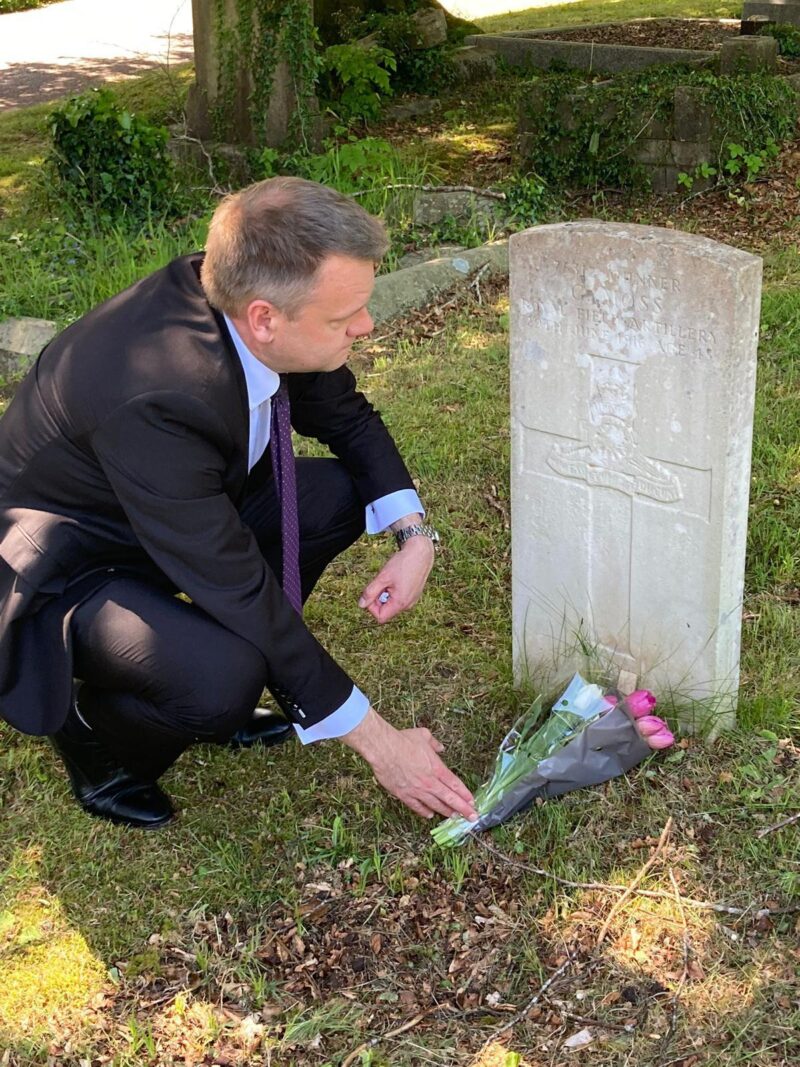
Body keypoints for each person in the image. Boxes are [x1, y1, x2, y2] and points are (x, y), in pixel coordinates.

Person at [0, 177, 477, 830]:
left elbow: (349, 417)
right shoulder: (159, 396)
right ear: (264, 318)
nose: (366, 327)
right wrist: (382, 743)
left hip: (170, 514)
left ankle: (240, 660)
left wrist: (415, 535)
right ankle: (96, 738)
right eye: (345, 319)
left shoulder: (256, 304)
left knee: (335, 495)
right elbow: (240, 584)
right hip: (71, 564)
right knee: (222, 682)